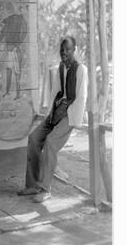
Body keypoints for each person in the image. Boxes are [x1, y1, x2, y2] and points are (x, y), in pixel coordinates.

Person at [18, 36, 88, 202]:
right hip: (57, 111)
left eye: (68, 49)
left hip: (70, 114)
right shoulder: (61, 68)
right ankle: (33, 185)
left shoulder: (81, 69)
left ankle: (45, 189)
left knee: (50, 142)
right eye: (62, 50)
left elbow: (82, 96)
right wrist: (51, 113)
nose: (64, 53)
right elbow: (55, 91)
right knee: (34, 138)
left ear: (75, 50)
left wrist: (73, 120)